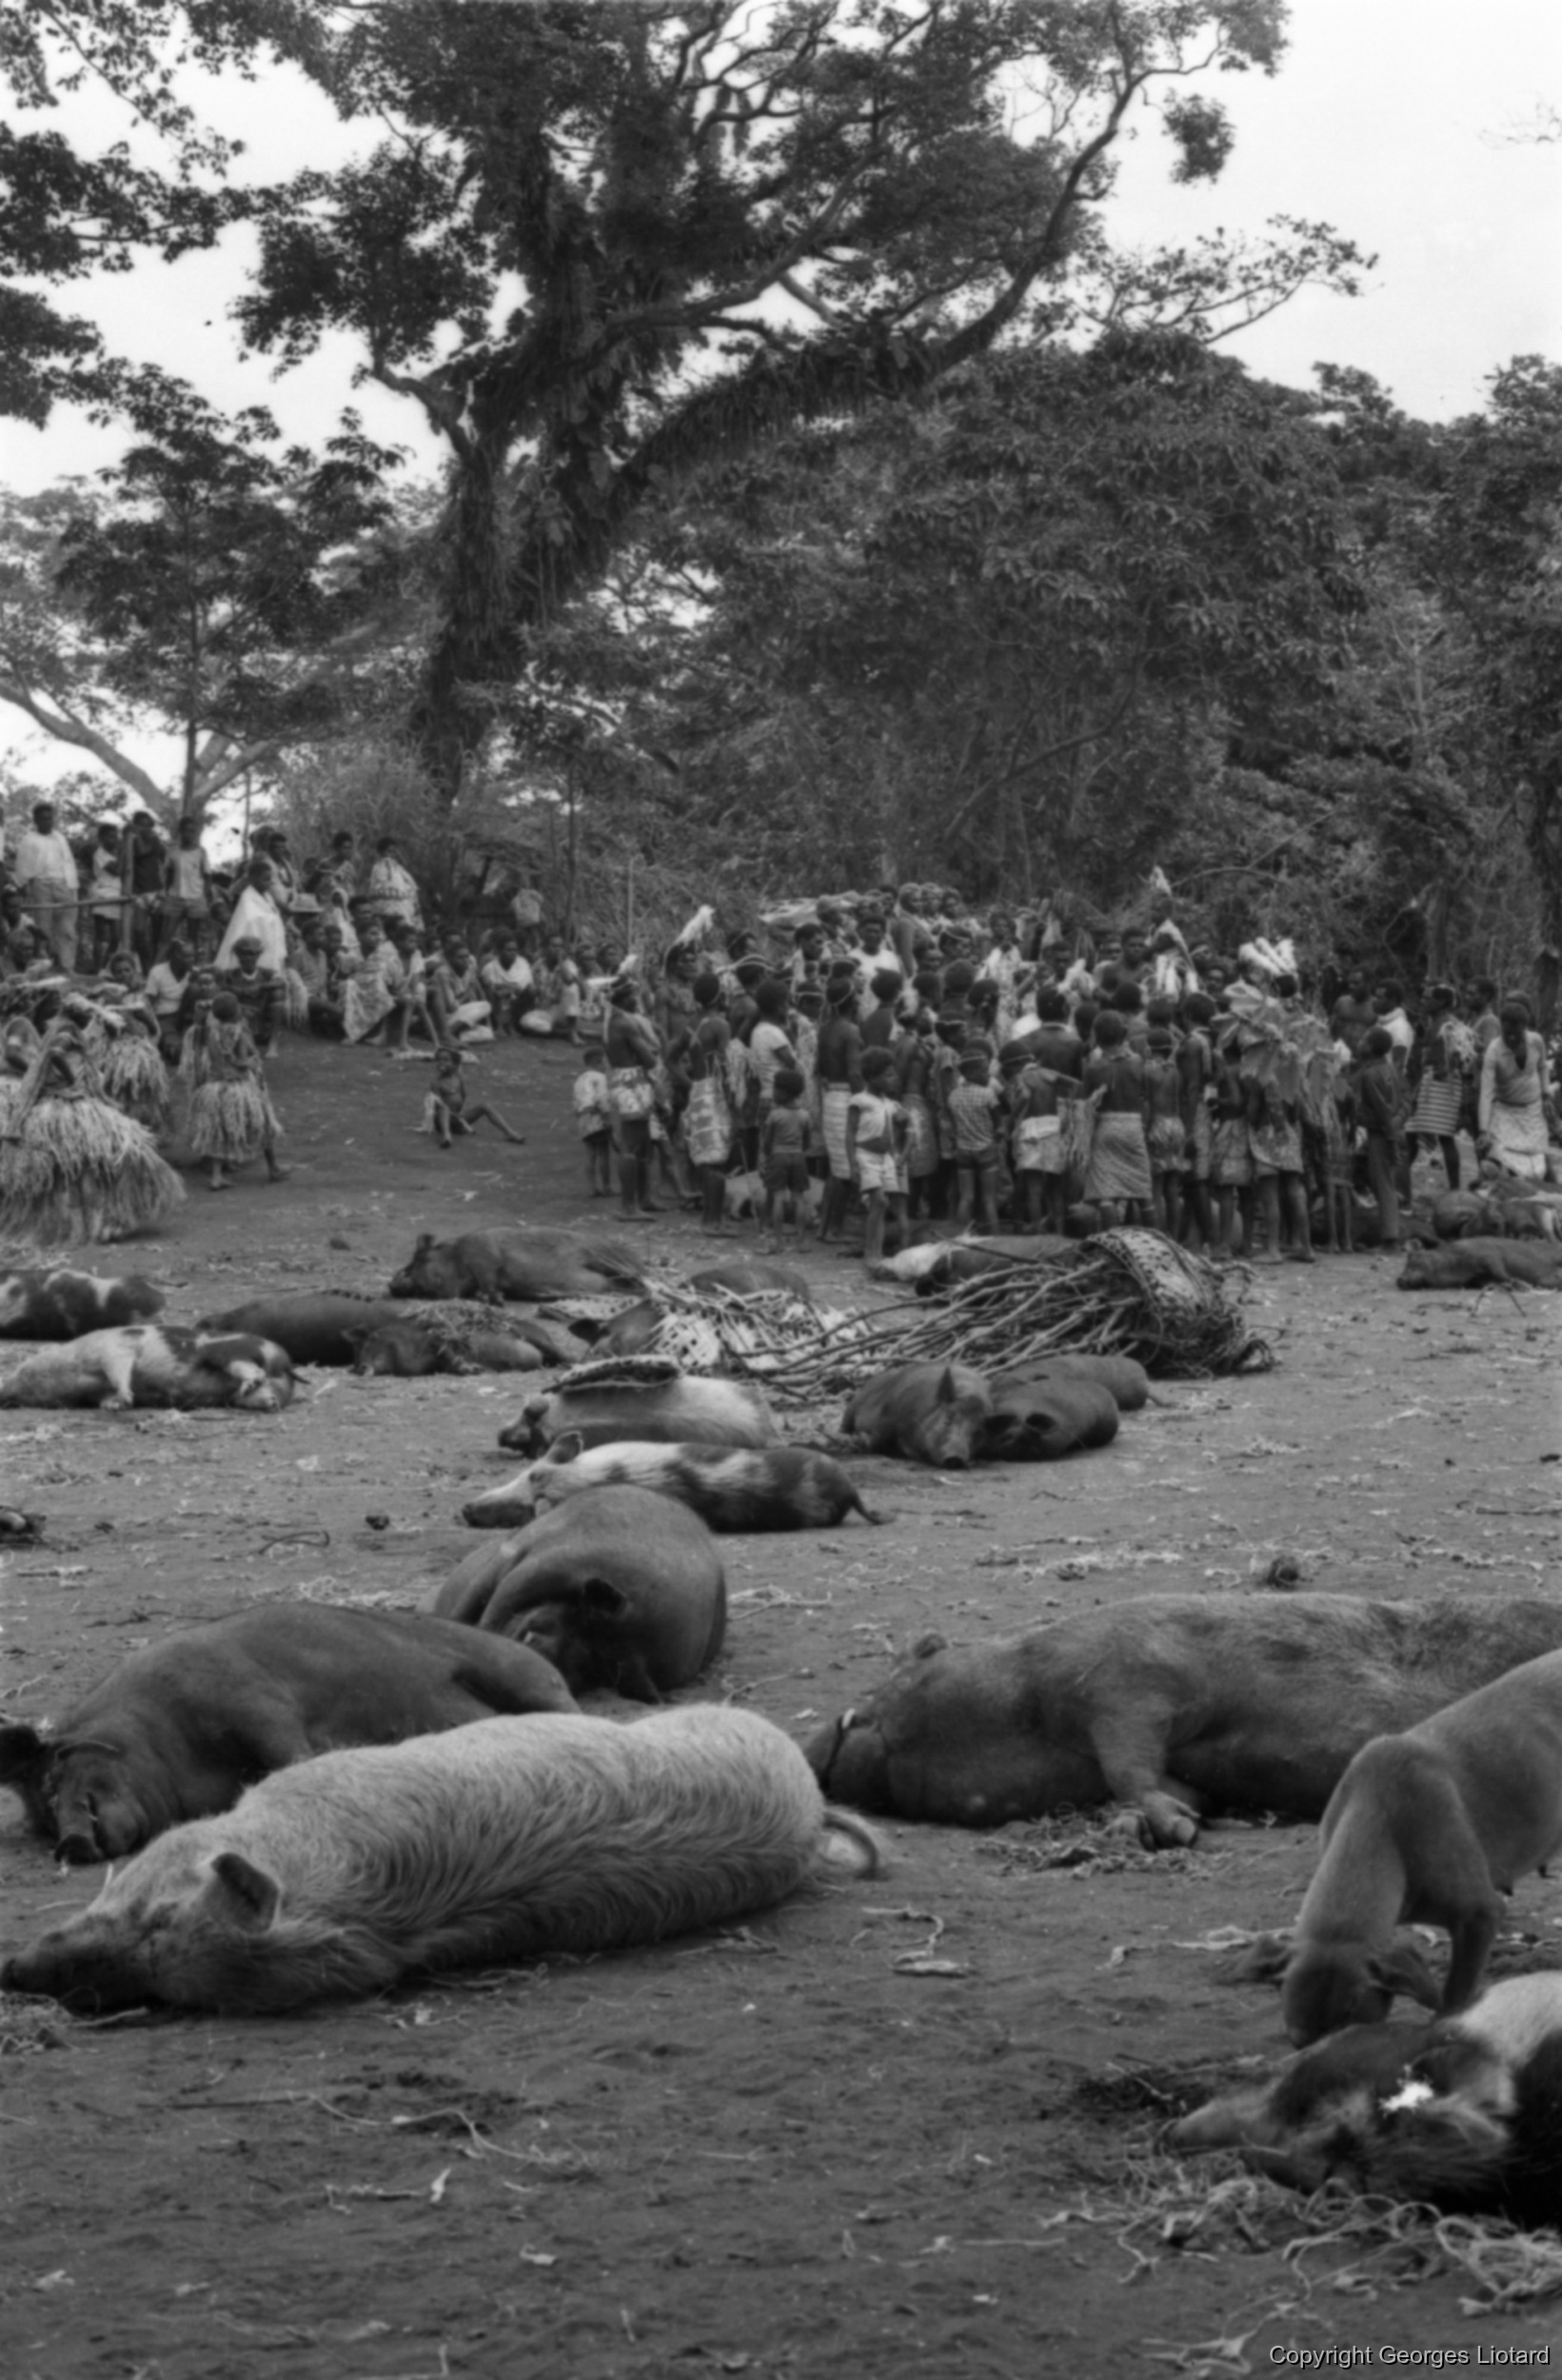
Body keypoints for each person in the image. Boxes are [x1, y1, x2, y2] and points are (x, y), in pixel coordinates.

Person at [0, 1010, 184, 1242]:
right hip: (68, 1106)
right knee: (93, 1163)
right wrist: (68, 1078)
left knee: (87, 1166)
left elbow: (54, 1057)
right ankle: (101, 1223)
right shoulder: (62, 1031)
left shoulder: (64, 1032)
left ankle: (99, 1222)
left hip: (71, 1103)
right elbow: (52, 1054)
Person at [183, 988, 288, 1190]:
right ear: (236, 1012)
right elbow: (241, 1061)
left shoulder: (212, 1032)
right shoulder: (239, 1032)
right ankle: (273, 1167)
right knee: (263, 1124)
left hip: (215, 1089)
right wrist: (252, 1061)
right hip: (239, 1089)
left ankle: (216, 1176)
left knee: (218, 1131)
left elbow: (203, 1044)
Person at [1082, 1011, 1152, 1226]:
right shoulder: (1137, 1062)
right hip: (1133, 1126)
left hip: (1105, 1127)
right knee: (1143, 1191)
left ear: (1096, 1036)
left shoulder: (1093, 1068)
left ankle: (1112, 1240)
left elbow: (1085, 1103)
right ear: (1123, 1035)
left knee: (1106, 1191)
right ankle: (1158, 1238)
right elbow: (1146, 1095)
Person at [604, 981, 663, 1219]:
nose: (637, 1000)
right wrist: (653, 1051)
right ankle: (629, 1207)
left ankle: (643, 1200)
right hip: (632, 1083)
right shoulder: (625, 1023)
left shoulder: (610, 1020)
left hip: (624, 1079)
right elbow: (649, 1060)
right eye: (632, 995)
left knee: (642, 1143)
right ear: (622, 998)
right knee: (631, 1145)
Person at [1406, 983, 1473, 1192]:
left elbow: (1462, 1057)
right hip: (1430, 1081)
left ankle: (1455, 1188)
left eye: (1428, 998)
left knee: (1443, 1136)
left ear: (1441, 1002)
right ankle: (1400, 1182)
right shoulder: (1434, 1022)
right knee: (1412, 1132)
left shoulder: (1450, 1025)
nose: (1423, 1001)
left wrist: (1446, 1068)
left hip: (1443, 1085)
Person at [1478, 1002, 1554, 1180]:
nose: (1512, 1038)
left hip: (1533, 1111)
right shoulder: (1494, 1051)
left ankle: (1553, 1193)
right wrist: (1483, 1131)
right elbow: (1486, 1093)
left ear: (1525, 1028)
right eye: (1508, 1033)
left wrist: (1546, 1095)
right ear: (1501, 1027)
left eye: (1517, 1033)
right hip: (1505, 1112)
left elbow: (1543, 1067)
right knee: (1498, 1157)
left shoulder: (1536, 1041)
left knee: (1540, 1161)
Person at [845, 1045, 907, 1265]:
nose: (893, 1079)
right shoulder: (859, 1100)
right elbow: (850, 1133)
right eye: (888, 1075)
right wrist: (852, 1163)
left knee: (881, 1206)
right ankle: (869, 1252)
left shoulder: (890, 1103)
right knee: (879, 1200)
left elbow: (894, 1131)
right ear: (872, 1077)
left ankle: (876, 1252)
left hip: (885, 1159)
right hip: (866, 1156)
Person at [816, 977, 864, 1244]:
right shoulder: (850, 1031)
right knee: (845, 1169)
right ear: (851, 1001)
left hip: (830, 1096)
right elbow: (855, 1073)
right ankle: (834, 1229)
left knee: (836, 1168)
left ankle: (825, 1227)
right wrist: (865, 1101)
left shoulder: (825, 1028)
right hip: (846, 1097)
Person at [1353, 1025, 1405, 1247]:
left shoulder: (1370, 1075)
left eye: (1364, 1039)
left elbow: (1382, 1110)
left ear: (1371, 1047)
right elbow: (1402, 1104)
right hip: (1391, 1131)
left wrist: (1391, 1140)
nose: (1359, 1042)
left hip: (1381, 1135)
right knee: (1384, 1181)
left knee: (1383, 1184)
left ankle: (1390, 1238)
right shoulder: (1390, 1069)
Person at [13, 802, 79, 972]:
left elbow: (68, 863)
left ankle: (67, 967)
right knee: (43, 931)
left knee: (67, 930)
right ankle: (45, 967)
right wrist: (24, 886)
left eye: (50, 818)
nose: (47, 822)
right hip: (41, 886)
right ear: (36, 820)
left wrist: (71, 887)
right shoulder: (29, 840)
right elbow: (23, 867)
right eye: (43, 819)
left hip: (62, 885)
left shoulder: (59, 838)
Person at [946, 1039, 1001, 1235]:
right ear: (970, 1073)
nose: (988, 1075)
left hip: (963, 1151)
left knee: (966, 1197)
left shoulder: (953, 1096)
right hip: (986, 1150)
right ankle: (996, 1239)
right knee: (989, 1199)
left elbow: (954, 1125)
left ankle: (960, 1237)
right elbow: (999, 1126)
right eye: (984, 1071)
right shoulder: (988, 1095)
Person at [419, 1046, 524, 1149]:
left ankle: (509, 1133)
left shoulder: (458, 1078)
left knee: (485, 1106)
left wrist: (461, 1115)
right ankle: (446, 1136)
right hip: (441, 1121)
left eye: (446, 1060)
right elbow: (434, 1107)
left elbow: (463, 1096)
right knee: (445, 1108)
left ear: (455, 1065)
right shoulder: (436, 1083)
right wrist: (451, 1115)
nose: (441, 1063)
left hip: (457, 1118)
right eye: (439, 1060)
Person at [761, 1066, 813, 1243]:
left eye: (776, 1088)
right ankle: (801, 1240)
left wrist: (767, 1156)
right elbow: (807, 1143)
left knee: (778, 1197)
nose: (773, 1092)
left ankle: (778, 1239)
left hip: (778, 1156)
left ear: (784, 1092)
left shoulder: (774, 1115)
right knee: (798, 1198)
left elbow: (767, 1142)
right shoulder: (805, 1115)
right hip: (798, 1157)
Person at [343, 917, 410, 1049]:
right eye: (373, 934)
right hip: (357, 990)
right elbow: (342, 977)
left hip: (379, 990)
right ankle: (351, 1034)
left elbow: (392, 979)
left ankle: (382, 1035)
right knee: (350, 987)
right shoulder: (351, 955)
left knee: (381, 989)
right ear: (359, 936)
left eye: (379, 934)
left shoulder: (386, 954)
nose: (378, 938)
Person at [219, 933, 287, 1057]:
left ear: (258, 955)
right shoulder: (230, 975)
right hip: (239, 1025)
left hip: (262, 1025)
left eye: (252, 954)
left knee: (277, 993)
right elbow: (219, 985)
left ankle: (273, 1044)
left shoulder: (265, 973)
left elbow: (281, 982)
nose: (247, 958)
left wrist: (260, 987)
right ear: (237, 955)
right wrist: (240, 1002)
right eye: (243, 953)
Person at [162, 816, 213, 959]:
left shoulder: (201, 852)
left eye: (192, 831)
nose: (189, 834)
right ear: (180, 831)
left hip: (195, 898)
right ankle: (159, 965)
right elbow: (169, 874)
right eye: (186, 831)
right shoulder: (173, 852)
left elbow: (207, 876)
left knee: (193, 936)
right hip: (175, 898)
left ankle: (192, 965)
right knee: (166, 936)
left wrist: (204, 896)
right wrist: (167, 893)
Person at [123, 812, 166, 965]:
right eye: (141, 825)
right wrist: (130, 835)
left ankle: (156, 963)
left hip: (155, 891)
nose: (145, 828)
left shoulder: (154, 840)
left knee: (158, 932)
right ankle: (145, 964)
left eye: (148, 825)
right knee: (139, 931)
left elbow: (143, 852)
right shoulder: (129, 841)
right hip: (138, 892)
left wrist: (137, 833)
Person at [572, 1043, 614, 1197]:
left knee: (590, 1154)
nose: (607, 1066)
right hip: (597, 1117)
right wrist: (607, 1118)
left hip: (582, 1118)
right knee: (603, 1152)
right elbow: (602, 1099)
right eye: (605, 1062)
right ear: (599, 1062)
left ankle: (592, 1188)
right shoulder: (600, 1078)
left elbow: (575, 1103)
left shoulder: (579, 1080)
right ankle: (606, 1187)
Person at [144, 938, 194, 1063]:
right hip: (164, 1017)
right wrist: (151, 1027)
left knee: (196, 988)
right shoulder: (158, 972)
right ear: (174, 956)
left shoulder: (194, 973)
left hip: (187, 1017)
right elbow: (149, 1003)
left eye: (192, 956)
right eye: (186, 956)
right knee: (176, 1050)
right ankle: (172, 1047)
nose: (191, 960)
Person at [87, 823, 125, 972]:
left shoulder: (113, 854)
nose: (114, 839)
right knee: (100, 936)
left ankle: (105, 966)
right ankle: (97, 969)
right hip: (103, 895)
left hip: (116, 896)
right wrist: (124, 853)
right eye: (110, 836)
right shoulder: (100, 854)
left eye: (116, 836)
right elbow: (117, 870)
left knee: (116, 938)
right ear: (102, 838)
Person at [481, 932, 535, 1034]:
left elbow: (524, 987)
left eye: (515, 950)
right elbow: (492, 989)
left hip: (517, 1005)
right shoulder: (490, 968)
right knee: (493, 993)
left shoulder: (523, 964)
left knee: (531, 991)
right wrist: (509, 989)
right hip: (497, 1007)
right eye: (509, 950)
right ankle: (499, 1026)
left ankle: (513, 1024)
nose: (512, 953)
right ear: (499, 951)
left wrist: (507, 989)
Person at [366, 835, 423, 931]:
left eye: (394, 851)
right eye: (389, 851)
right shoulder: (381, 867)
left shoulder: (398, 869)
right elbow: (384, 887)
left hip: (403, 907)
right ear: (381, 852)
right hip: (389, 908)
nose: (392, 854)